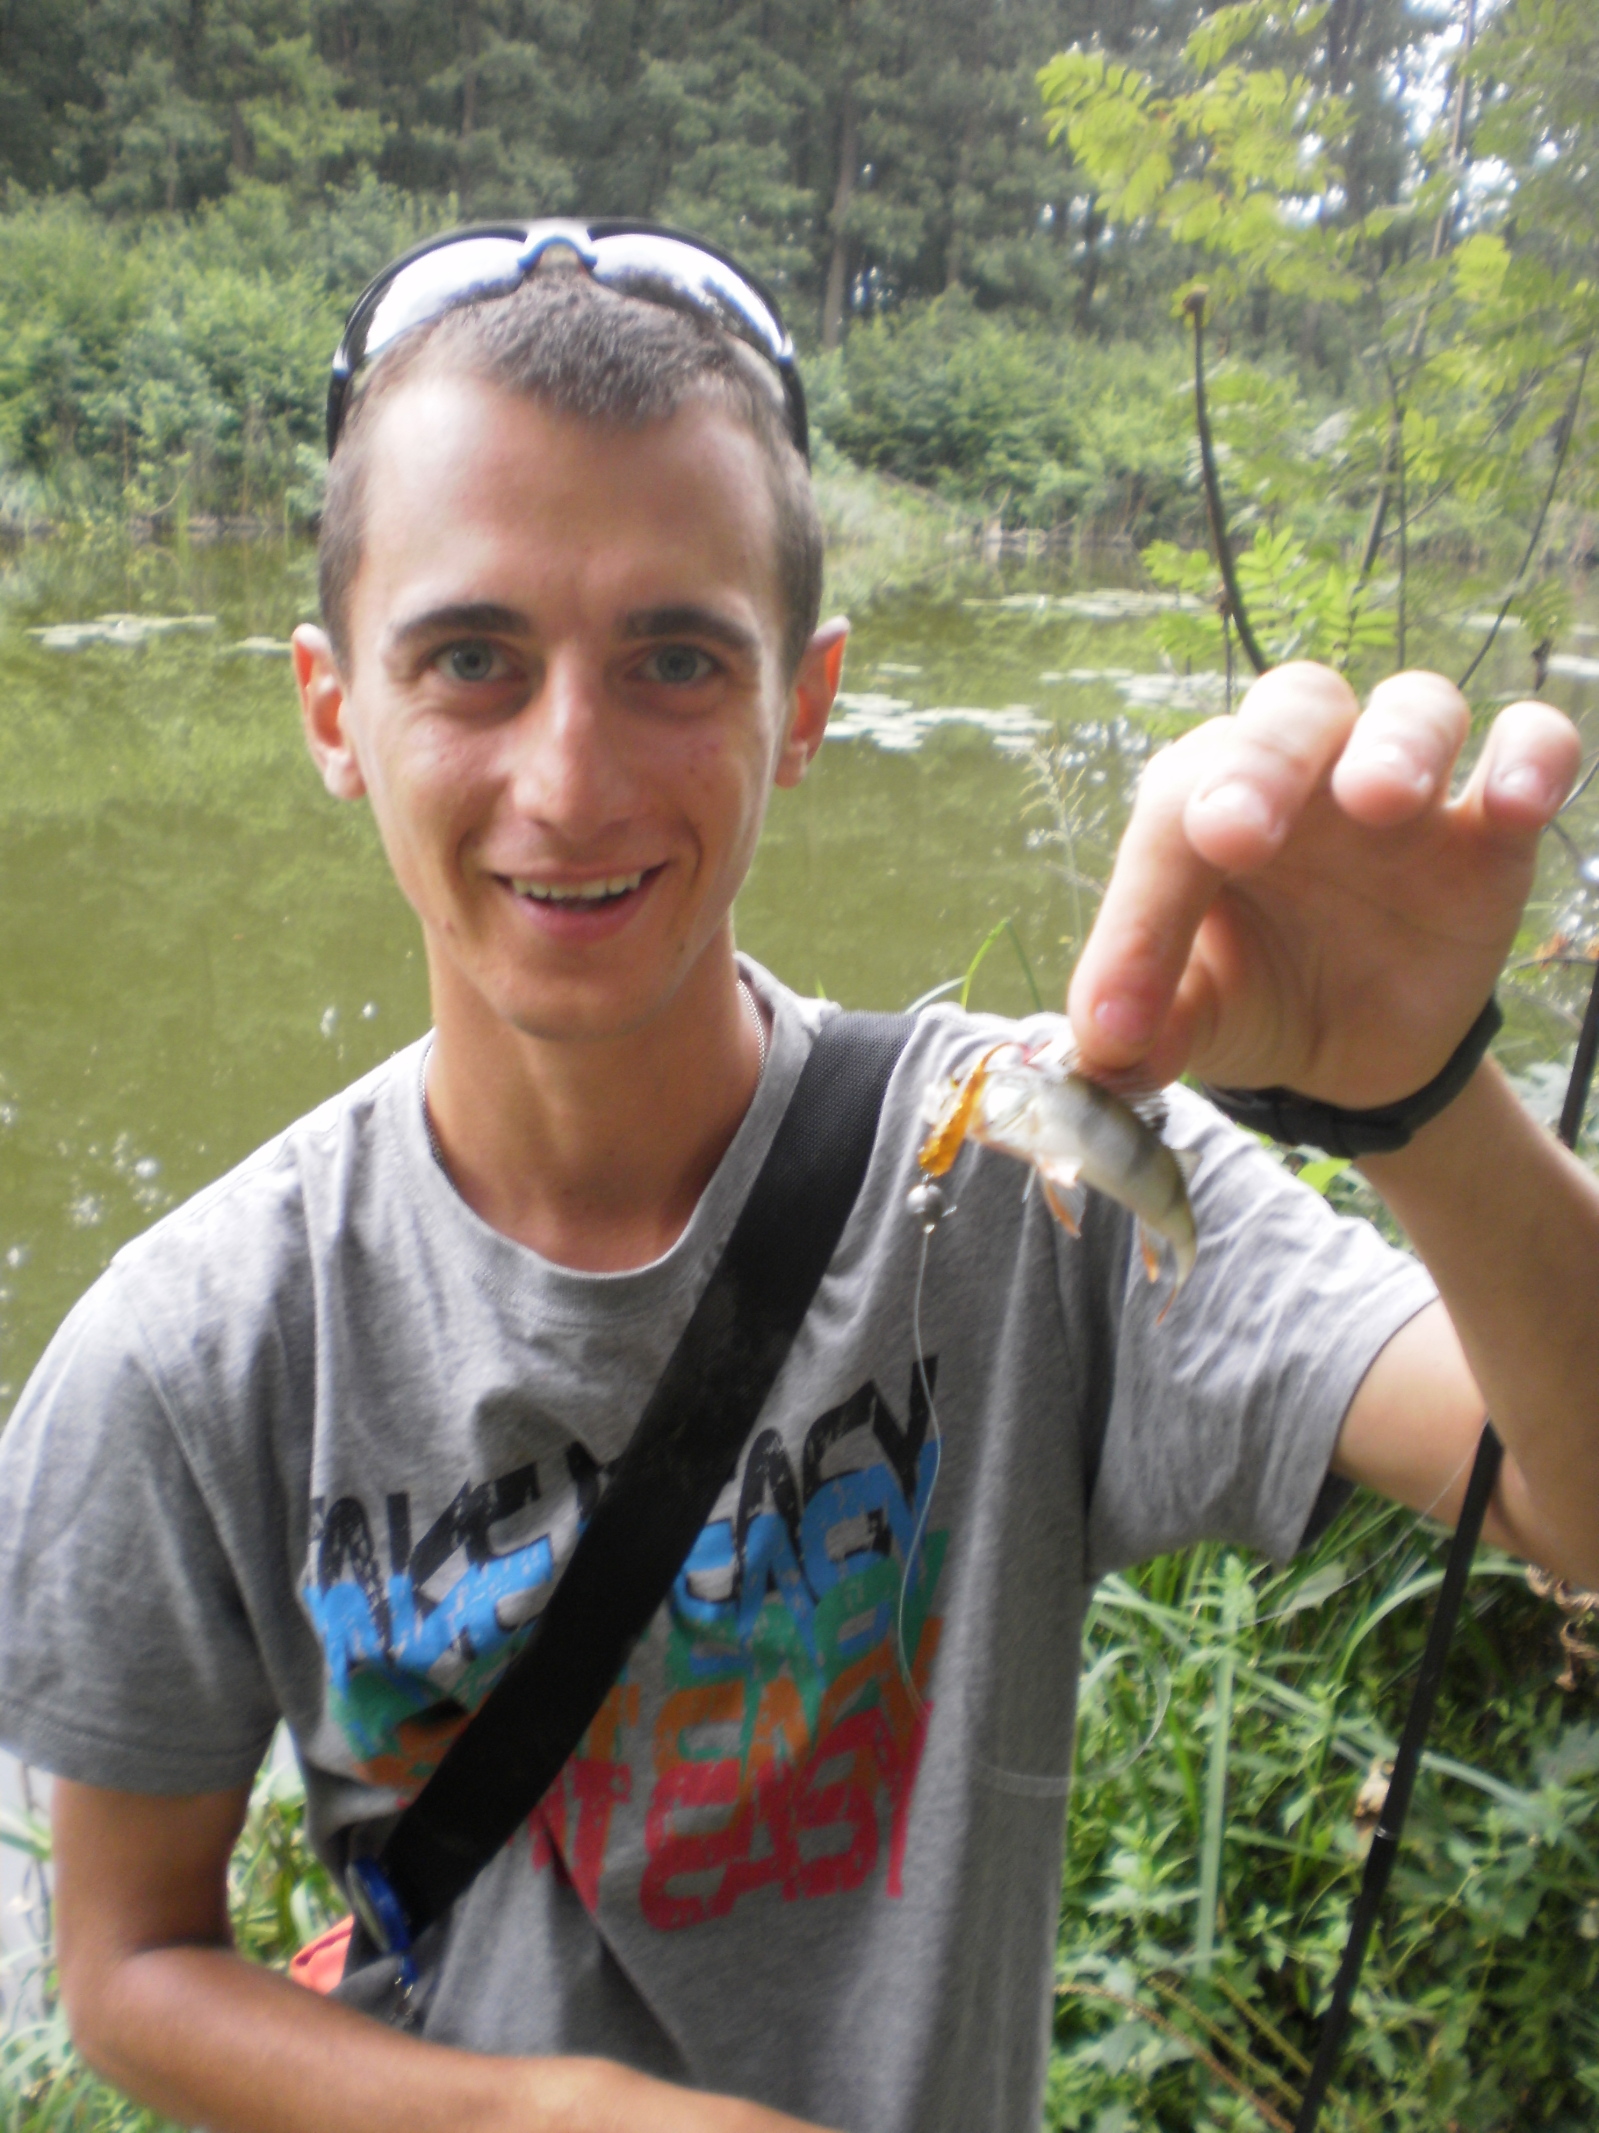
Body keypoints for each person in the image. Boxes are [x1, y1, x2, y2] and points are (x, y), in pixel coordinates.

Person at [0, 218, 1595, 2133]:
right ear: (335, 708)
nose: (571, 778)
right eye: (472, 659)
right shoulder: (194, 1348)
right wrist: (552, 2118)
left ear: (808, 700)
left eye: (676, 658)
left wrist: (1426, 1101)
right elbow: (126, 1966)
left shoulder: (1033, 1164)